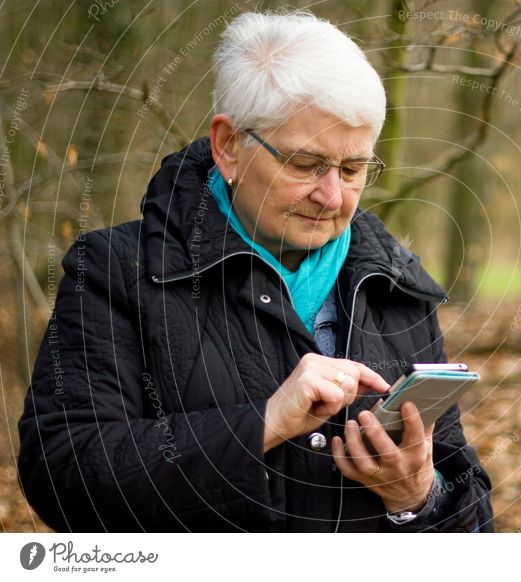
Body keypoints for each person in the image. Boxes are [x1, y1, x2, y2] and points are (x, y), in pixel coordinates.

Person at [17, 10, 493, 532]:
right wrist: (263, 423)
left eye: (353, 169)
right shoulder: (115, 275)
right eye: (305, 164)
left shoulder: (393, 285)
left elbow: (472, 522)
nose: (332, 195)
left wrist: (418, 497)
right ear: (229, 147)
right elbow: (63, 478)